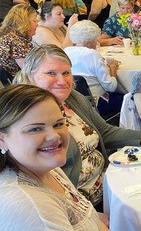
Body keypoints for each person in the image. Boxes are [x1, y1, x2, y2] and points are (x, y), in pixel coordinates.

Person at [13, 44, 141, 206]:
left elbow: (104, 132)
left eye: (66, 72)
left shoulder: (72, 98)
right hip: (79, 202)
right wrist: (86, 213)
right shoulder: (26, 117)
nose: (62, 81)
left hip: (109, 184)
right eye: (51, 73)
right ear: (30, 75)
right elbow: (37, 180)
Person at [0, 84, 107, 230]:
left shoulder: (47, 169)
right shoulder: (30, 207)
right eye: (35, 129)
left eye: (58, 124)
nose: (54, 136)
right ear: (2, 140)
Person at [65, 20, 123, 116]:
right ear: (89, 41)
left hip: (75, 103)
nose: (97, 43)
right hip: (96, 103)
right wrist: (113, 69)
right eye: (96, 40)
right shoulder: (92, 54)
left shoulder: (66, 51)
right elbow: (111, 87)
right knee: (130, 99)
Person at [0, 4, 37, 77]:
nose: (37, 24)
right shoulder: (16, 42)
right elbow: (30, 73)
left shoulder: (11, 37)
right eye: (34, 21)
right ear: (24, 22)